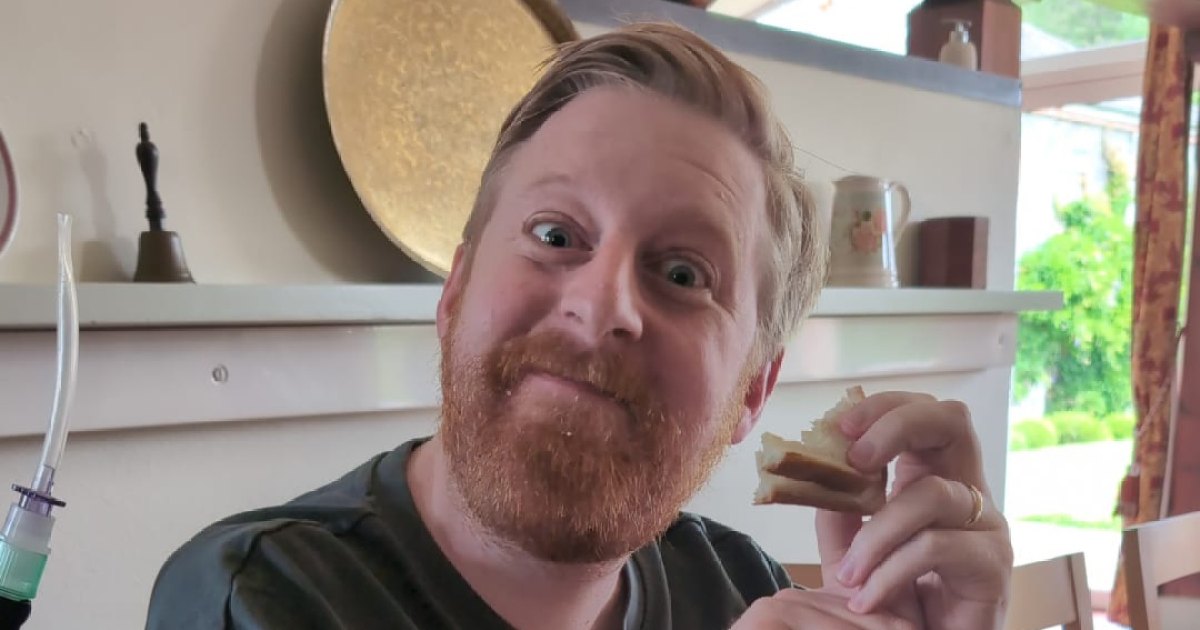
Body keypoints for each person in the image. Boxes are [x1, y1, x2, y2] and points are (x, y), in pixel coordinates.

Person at [146, 22, 1012, 629]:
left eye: (683, 275)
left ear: (753, 389)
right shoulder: (259, 597)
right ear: (455, 295)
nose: (602, 307)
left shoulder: (741, 588)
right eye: (555, 236)